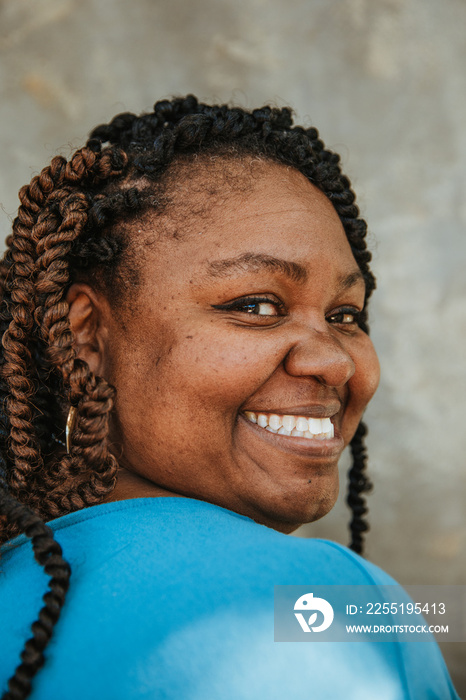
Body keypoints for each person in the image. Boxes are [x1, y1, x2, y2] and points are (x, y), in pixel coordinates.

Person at [0, 95, 459, 699]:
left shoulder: (16, 584)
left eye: (345, 314)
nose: (335, 360)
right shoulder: (322, 601)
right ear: (85, 332)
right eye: (256, 306)